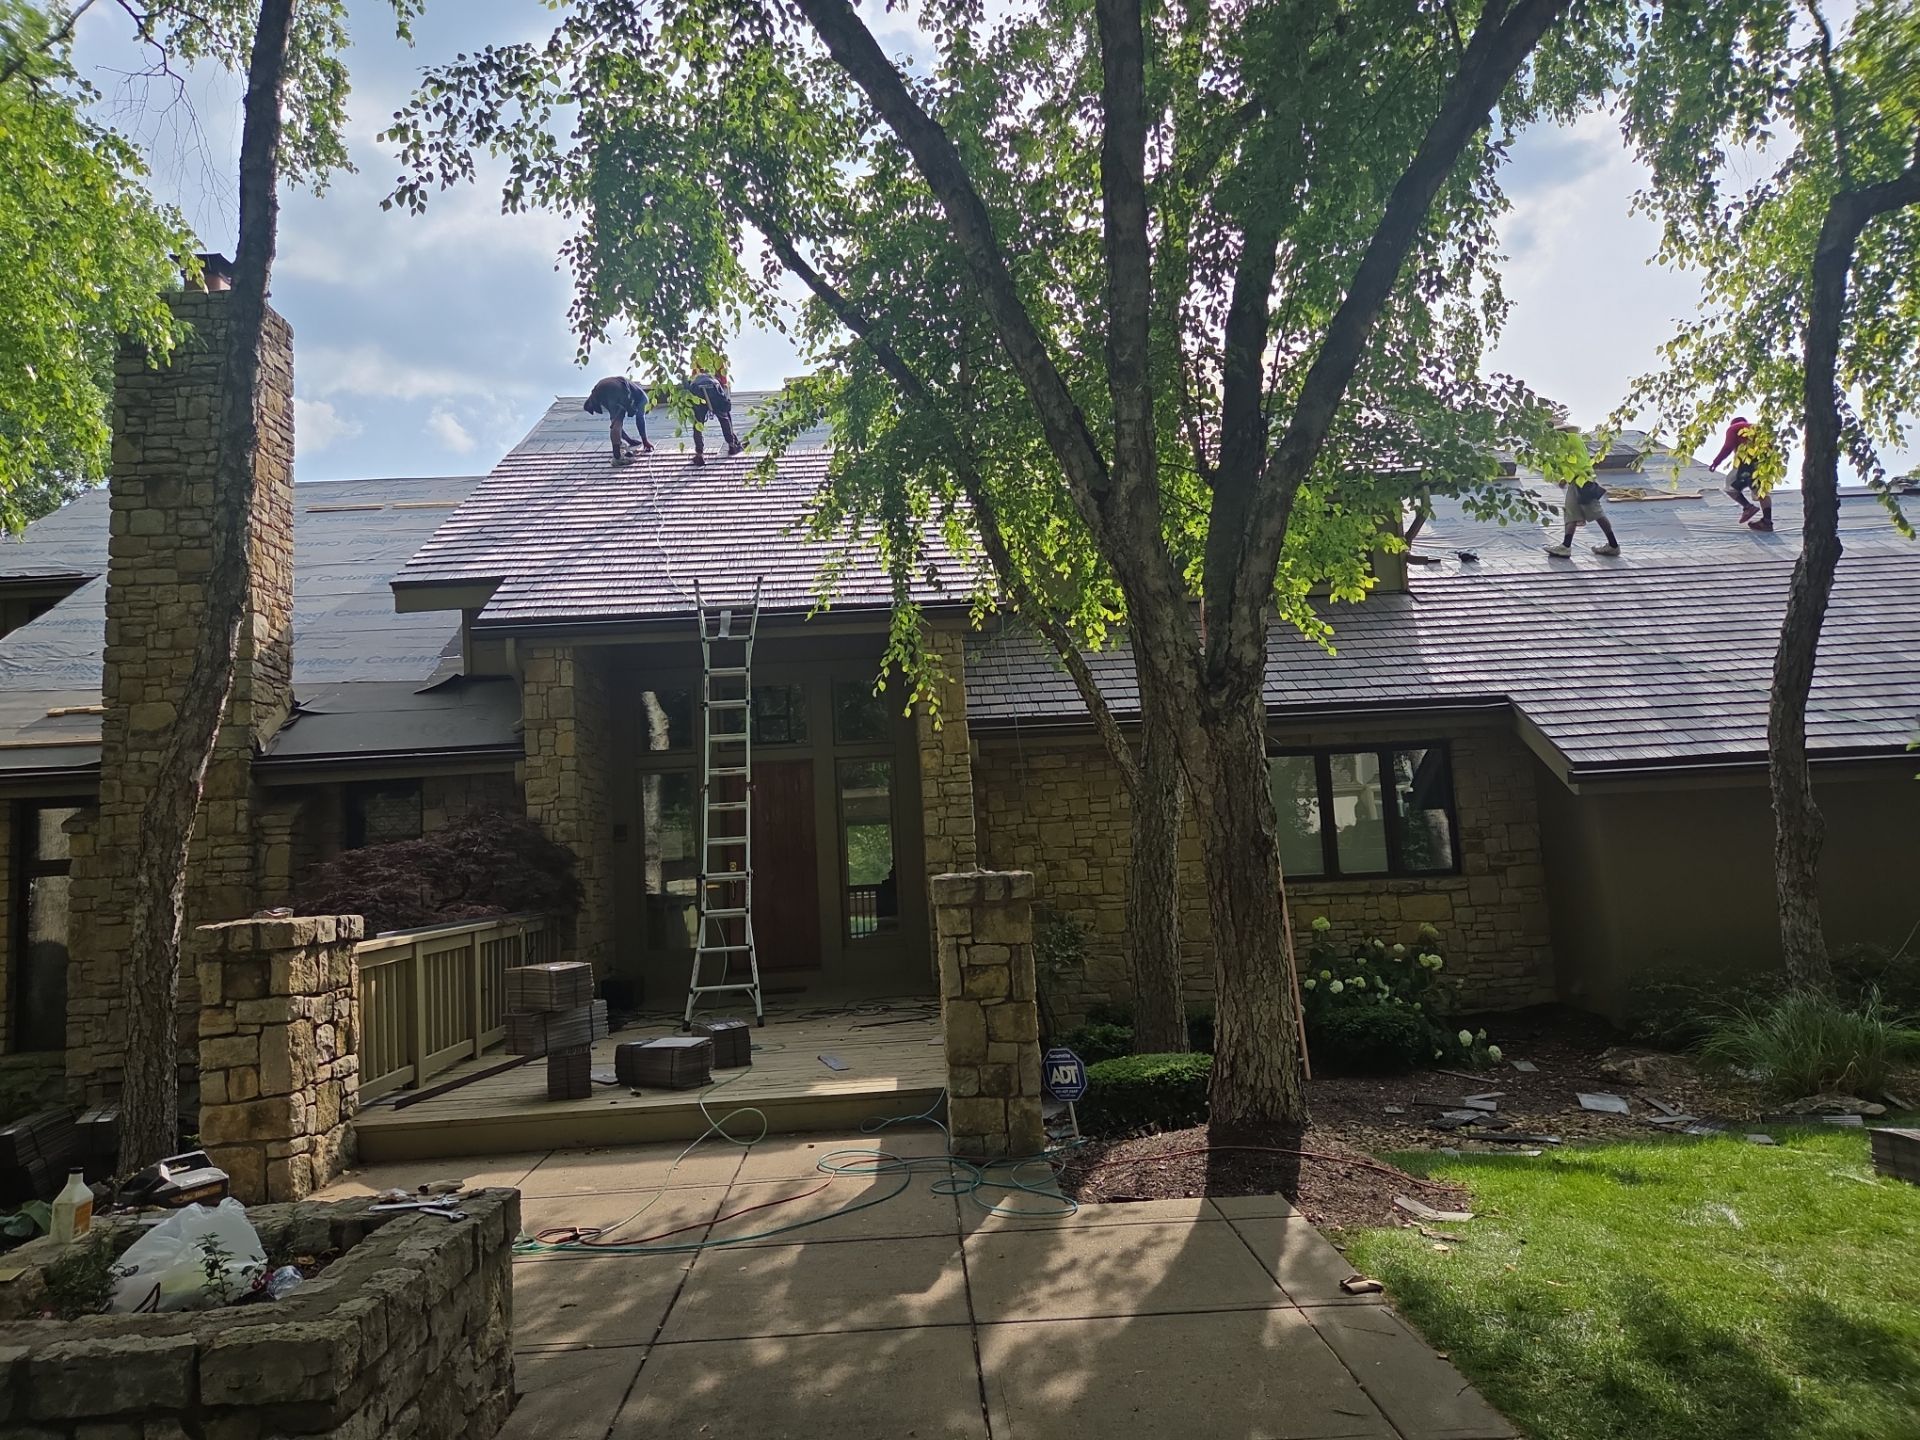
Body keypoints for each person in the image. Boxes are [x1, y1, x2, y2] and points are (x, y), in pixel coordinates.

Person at [1708, 415, 1772, 531]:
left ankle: (1748, 507)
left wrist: (1716, 462)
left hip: (1747, 462)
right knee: (1761, 492)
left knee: (1729, 485)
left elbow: (1728, 447)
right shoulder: (1757, 428)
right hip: (1764, 463)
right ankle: (1767, 522)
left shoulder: (1734, 428)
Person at [1545, 476, 1621, 557]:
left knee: (1596, 513)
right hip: (1576, 482)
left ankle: (1613, 545)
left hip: (1584, 482)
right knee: (1571, 512)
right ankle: (1566, 546)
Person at [583, 376, 652, 464]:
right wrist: (645, 441)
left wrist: (629, 440)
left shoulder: (625, 399)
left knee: (616, 422)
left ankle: (617, 452)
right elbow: (640, 419)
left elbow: (616, 425)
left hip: (601, 386)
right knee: (617, 422)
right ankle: (617, 457)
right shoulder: (644, 400)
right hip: (617, 388)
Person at [683, 366, 744, 464]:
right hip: (713, 387)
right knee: (724, 417)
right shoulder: (717, 366)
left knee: (698, 423)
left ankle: (699, 454)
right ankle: (732, 445)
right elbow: (724, 394)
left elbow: (689, 387)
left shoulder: (697, 366)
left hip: (697, 389)